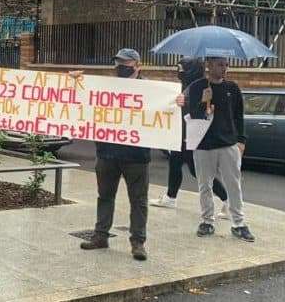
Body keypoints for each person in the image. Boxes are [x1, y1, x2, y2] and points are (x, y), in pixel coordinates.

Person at [79, 48, 150, 261]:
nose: (121, 67)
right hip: (107, 152)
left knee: (138, 200)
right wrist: (75, 83)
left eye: (126, 63)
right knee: (105, 196)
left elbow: (166, 113)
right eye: (118, 63)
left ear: (138, 65)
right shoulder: (105, 88)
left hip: (136, 155)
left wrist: (177, 102)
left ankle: (138, 242)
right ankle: (100, 236)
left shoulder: (152, 90)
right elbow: (83, 101)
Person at [186, 57, 255, 242]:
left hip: (228, 145)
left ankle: (239, 224)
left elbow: (239, 117)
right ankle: (207, 221)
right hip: (203, 145)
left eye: (226, 65)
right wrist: (203, 101)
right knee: (204, 185)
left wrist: (241, 141)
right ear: (209, 65)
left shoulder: (232, 88)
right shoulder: (196, 87)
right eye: (219, 65)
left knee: (234, 185)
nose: (224, 68)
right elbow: (192, 115)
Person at [152, 57, 229, 216]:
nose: (179, 72)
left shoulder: (204, 85)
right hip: (183, 133)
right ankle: (170, 197)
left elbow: (205, 108)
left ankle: (228, 200)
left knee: (197, 170)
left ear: (191, 70)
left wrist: (186, 101)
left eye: (182, 69)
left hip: (195, 134)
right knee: (175, 162)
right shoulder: (187, 85)